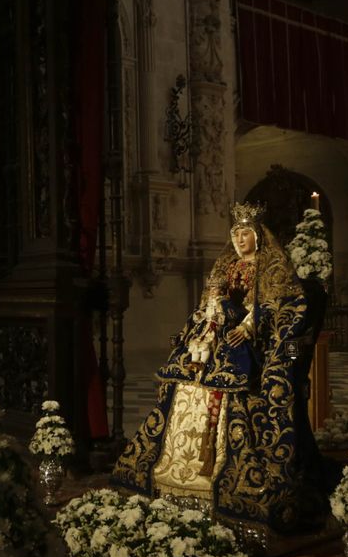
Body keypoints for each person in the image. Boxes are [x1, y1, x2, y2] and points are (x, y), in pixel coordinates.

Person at [112, 201, 327, 538]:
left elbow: (282, 306)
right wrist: (208, 320)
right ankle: (175, 468)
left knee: (234, 373)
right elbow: (209, 303)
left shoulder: (274, 268)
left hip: (253, 339)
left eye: (246, 233)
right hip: (219, 334)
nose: (240, 239)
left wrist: (252, 325)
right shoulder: (226, 265)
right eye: (236, 233)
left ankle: (227, 468)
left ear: (257, 236)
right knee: (183, 372)